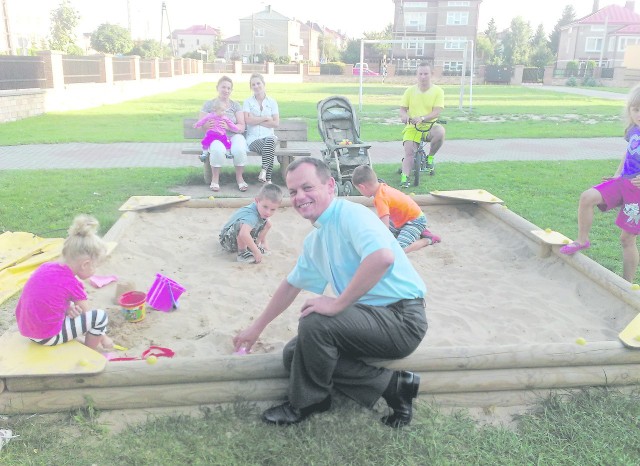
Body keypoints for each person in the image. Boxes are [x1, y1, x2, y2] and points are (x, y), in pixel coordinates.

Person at [233, 157, 428, 428]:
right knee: (295, 353)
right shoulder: (317, 238)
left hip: (402, 319)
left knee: (316, 321)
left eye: (307, 187)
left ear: (330, 186)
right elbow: (291, 285)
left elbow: (382, 258)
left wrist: (338, 304)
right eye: (293, 192)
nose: (299, 196)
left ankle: (308, 402)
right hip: (370, 317)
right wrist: (256, 328)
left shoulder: (351, 215)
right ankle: (393, 385)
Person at [560, 84, 640, 283]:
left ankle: (626, 283)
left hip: (638, 190)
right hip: (623, 181)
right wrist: (617, 174)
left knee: (627, 239)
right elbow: (628, 152)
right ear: (630, 110)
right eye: (636, 109)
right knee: (587, 197)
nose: (639, 114)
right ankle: (582, 240)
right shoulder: (633, 130)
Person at [15, 215, 113, 351]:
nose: (95, 271)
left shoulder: (47, 267)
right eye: (95, 266)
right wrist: (104, 338)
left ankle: (73, 334)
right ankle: (90, 351)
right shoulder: (71, 283)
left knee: (73, 307)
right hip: (46, 336)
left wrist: (68, 308)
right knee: (99, 317)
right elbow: (88, 314)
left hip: (28, 328)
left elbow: (47, 296)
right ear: (85, 264)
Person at [352, 164, 441, 253]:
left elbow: (385, 227)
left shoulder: (380, 199)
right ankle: (418, 231)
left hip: (415, 221)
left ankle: (428, 239)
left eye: (358, 190)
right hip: (404, 219)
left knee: (399, 249)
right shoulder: (381, 187)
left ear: (362, 187)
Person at [399, 62, 445, 188]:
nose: (423, 77)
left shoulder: (438, 91)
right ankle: (405, 178)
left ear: (432, 74)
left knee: (440, 131)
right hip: (412, 127)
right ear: (417, 75)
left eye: (426, 74)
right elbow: (402, 109)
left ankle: (430, 158)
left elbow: (437, 111)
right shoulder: (409, 91)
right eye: (420, 74)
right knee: (409, 153)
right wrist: (405, 116)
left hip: (429, 126)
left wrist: (423, 118)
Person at [200, 76, 249, 192]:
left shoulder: (235, 105)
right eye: (223, 87)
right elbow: (202, 125)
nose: (226, 90)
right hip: (216, 136)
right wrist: (209, 125)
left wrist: (229, 126)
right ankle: (215, 179)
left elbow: (242, 126)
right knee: (217, 150)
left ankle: (239, 178)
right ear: (217, 88)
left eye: (229, 88)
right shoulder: (209, 104)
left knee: (240, 149)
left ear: (231, 90)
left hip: (235, 135)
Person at [219, 183, 284, 264]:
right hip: (227, 240)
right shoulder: (252, 215)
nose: (268, 212)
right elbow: (243, 234)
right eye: (265, 207)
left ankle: (254, 246)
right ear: (257, 201)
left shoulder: (261, 211)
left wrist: (263, 242)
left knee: (268, 223)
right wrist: (256, 252)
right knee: (242, 227)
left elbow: (263, 223)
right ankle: (242, 253)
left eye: (273, 209)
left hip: (238, 237)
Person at [243, 73, 280, 184]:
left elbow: (276, 123)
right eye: (253, 84)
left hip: (269, 136)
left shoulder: (272, 102)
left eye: (258, 83)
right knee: (269, 149)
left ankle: (264, 171)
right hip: (253, 139)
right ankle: (268, 179)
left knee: (270, 141)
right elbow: (247, 121)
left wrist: (256, 120)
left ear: (263, 84)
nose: (256, 86)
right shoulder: (247, 102)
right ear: (251, 87)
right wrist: (265, 118)